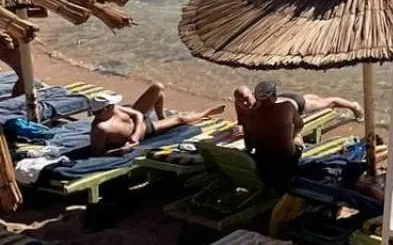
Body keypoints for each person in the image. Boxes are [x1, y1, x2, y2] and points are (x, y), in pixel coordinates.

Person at [237, 80, 361, 190]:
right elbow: (297, 126)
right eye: (241, 102)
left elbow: (299, 126)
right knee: (313, 99)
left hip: (296, 103)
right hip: (288, 101)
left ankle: (354, 106)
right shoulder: (251, 107)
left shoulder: (253, 113)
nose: (244, 103)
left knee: (328, 102)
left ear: (255, 96)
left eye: (246, 99)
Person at [88, 87, 224, 156]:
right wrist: (121, 150)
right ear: (105, 110)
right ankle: (207, 112)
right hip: (146, 129)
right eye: (110, 106)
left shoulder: (115, 108)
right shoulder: (101, 128)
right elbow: (97, 152)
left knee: (157, 88)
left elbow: (136, 114)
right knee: (180, 119)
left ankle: (161, 116)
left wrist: (134, 134)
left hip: (137, 122)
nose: (113, 105)